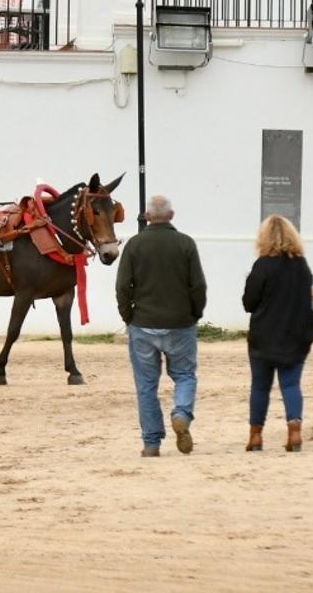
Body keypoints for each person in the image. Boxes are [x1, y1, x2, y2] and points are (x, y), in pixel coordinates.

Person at [115, 195, 207, 458]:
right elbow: (198, 285)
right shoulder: (185, 244)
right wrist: (195, 313)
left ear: (147, 216)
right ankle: (181, 413)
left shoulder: (134, 245)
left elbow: (123, 286)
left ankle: (151, 443)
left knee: (146, 386)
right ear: (172, 215)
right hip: (180, 323)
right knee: (185, 375)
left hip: (143, 324)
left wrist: (128, 317)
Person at [242, 215, 313, 453]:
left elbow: (249, 302)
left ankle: (255, 436)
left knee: (260, 387)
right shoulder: (302, 266)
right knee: (291, 385)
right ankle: (294, 431)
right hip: (296, 334)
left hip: (264, 334)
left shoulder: (262, 265)